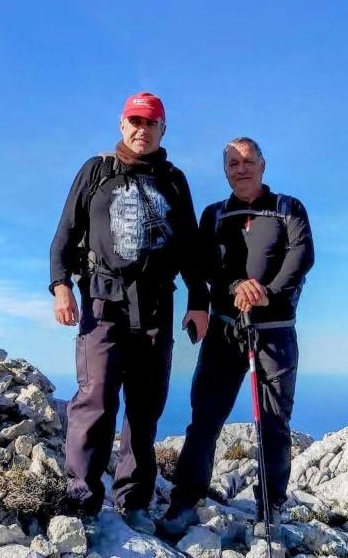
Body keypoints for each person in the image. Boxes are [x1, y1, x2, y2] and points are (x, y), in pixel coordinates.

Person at [49, 92, 209, 535]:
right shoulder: (97, 170)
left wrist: (199, 301)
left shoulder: (173, 180)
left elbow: (190, 247)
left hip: (157, 306)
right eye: (135, 121)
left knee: (145, 406)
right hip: (102, 302)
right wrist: (61, 286)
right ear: (122, 124)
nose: (142, 129)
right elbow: (64, 234)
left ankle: (134, 500)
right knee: (95, 398)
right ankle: (82, 498)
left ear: (162, 129)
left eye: (151, 123)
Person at [162, 137, 314, 536]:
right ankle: (185, 500)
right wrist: (235, 286)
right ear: (225, 170)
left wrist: (267, 292)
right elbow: (203, 265)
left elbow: (301, 257)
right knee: (205, 417)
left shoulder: (288, 208)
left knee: (273, 422)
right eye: (232, 163)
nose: (241, 168)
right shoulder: (214, 215)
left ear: (263, 164)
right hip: (225, 330)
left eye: (248, 161)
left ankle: (270, 508)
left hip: (274, 332)